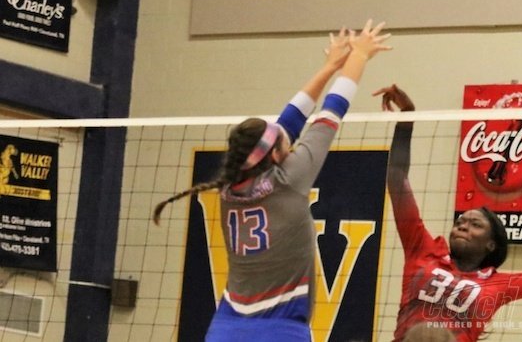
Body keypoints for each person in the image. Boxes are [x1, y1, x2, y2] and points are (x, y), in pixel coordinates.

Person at [154, 20, 392, 341]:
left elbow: (288, 122)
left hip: (225, 328)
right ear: (275, 155)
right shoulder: (289, 179)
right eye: (283, 142)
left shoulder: (228, 187)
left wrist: (329, 67)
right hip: (280, 330)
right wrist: (359, 56)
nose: (289, 140)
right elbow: (331, 111)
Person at [373, 84, 522, 342]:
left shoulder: (499, 284)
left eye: (475, 225)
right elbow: (397, 178)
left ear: (491, 244)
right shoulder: (423, 250)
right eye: (460, 222)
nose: (463, 225)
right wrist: (407, 117)